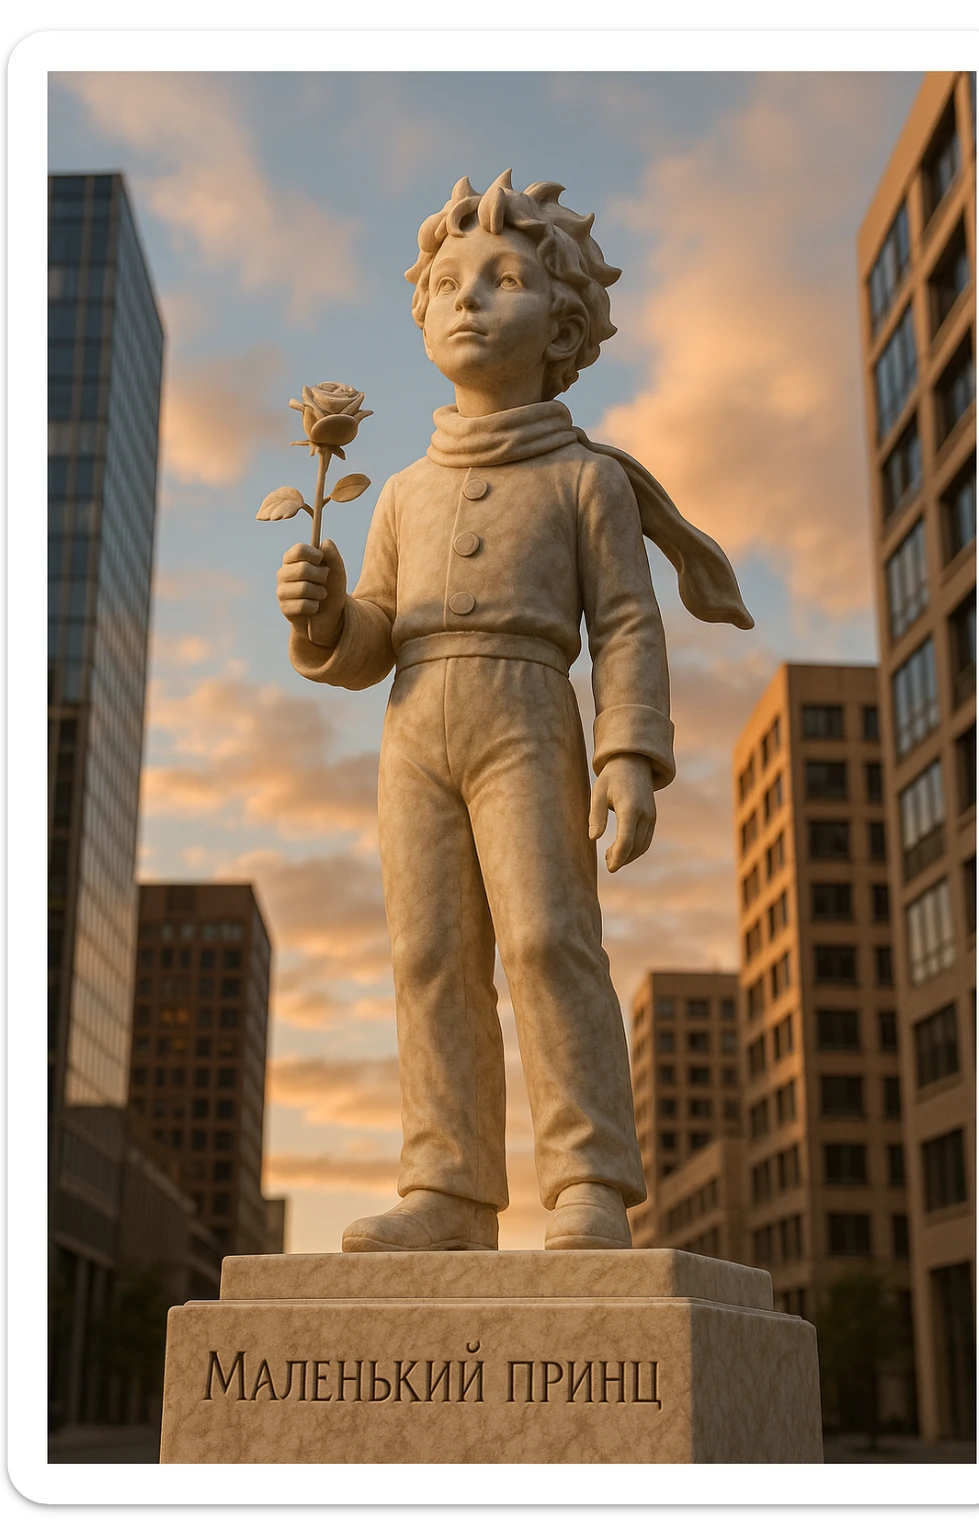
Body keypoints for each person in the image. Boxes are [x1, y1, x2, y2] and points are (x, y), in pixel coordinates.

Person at [276, 172, 752, 1252]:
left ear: (565, 325)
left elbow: (627, 625)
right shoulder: (399, 491)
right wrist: (320, 619)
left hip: (528, 712)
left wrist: (628, 754)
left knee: (546, 938)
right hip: (413, 726)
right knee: (429, 953)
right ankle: (445, 1186)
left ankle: (588, 1177)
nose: (468, 299)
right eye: (446, 283)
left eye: (503, 280)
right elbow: (369, 644)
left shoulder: (587, 480)